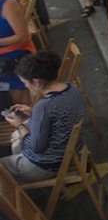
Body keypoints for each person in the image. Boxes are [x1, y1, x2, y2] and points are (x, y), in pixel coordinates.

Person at [1, 50, 86, 182]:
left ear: (36, 82)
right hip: (72, 149)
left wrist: (19, 125)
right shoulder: (72, 88)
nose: (25, 86)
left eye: (25, 83)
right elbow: (59, 116)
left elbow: (36, 147)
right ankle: (59, 191)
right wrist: (33, 112)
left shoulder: (44, 106)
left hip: (47, 165)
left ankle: (54, 192)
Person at [0, 0, 37, 105]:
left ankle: (23, 119)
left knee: (19, 100)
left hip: (14, 56)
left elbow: (22, 37)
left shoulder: (8, 4)